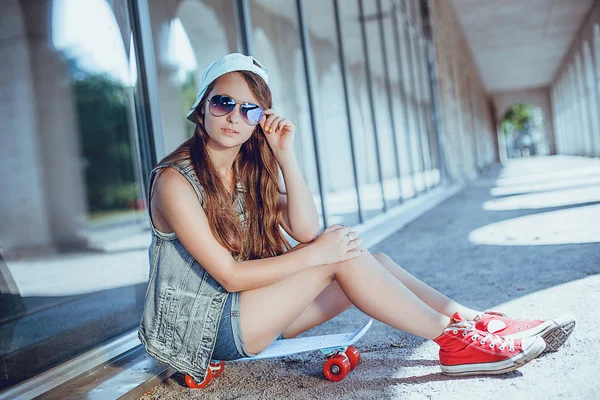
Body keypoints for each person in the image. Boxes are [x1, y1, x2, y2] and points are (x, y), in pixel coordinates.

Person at [137, 53, 575, 385]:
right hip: (205, 333)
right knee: (336, 256)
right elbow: (230, 276)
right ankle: (452, 341)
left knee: (374, 261)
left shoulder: (246, 172)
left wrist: (286, 155)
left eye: (249, 109)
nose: (235, 117)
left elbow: (306, 230)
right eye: (224, 103)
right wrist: (321, 256)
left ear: (260, 121)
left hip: (253, 314)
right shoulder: (175, 181)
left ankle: (471, 321)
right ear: (201, 107)